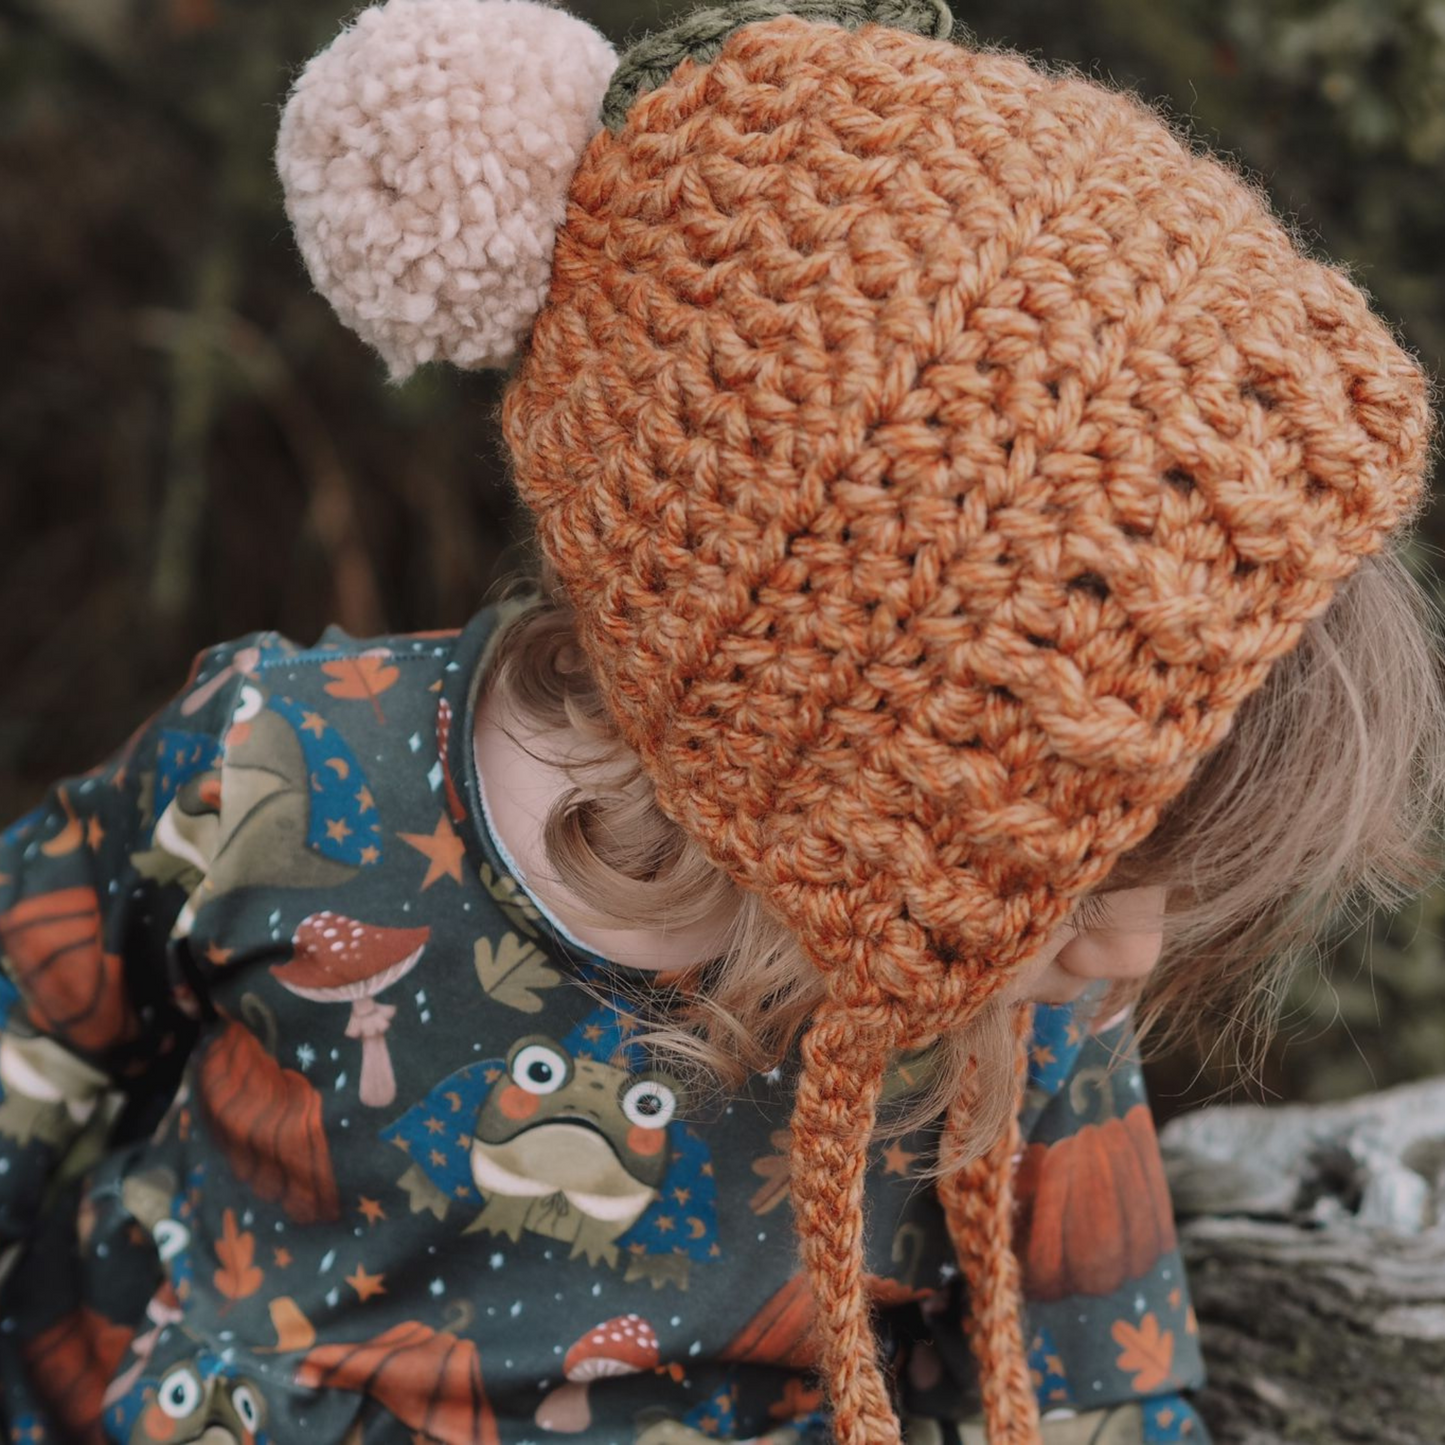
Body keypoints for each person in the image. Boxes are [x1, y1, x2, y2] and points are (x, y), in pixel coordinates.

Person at [1, 1, 1442, 1442]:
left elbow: (1093, 1389)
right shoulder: (291, 772)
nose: (1122, 961)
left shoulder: (998, 981)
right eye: (1099, 873)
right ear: (836, 688)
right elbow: (28, 1020)